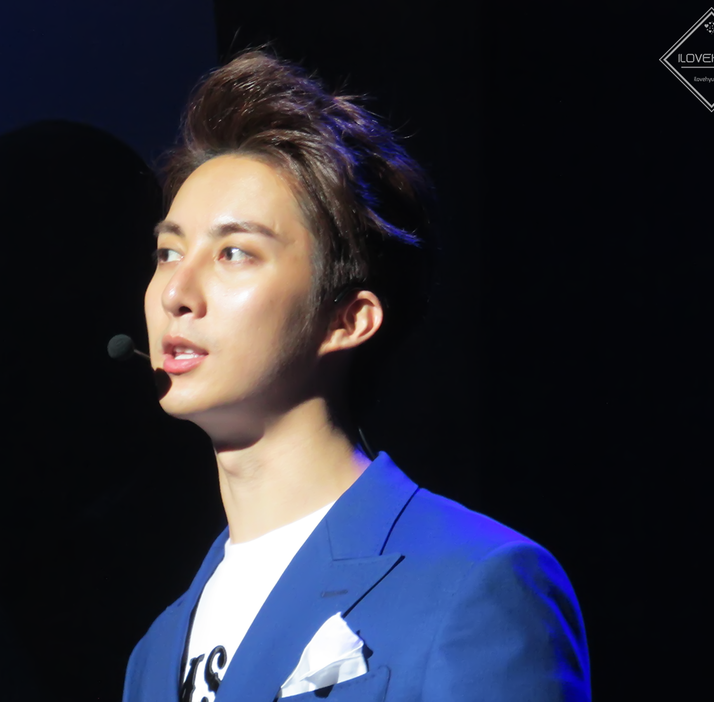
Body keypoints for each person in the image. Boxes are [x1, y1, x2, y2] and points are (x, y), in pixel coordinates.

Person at [122, 50, 590, 702]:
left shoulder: (472, 584)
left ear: (349, 318)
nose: (176, 292)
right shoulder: (154, 654)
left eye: (234, 252)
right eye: (168, 252)